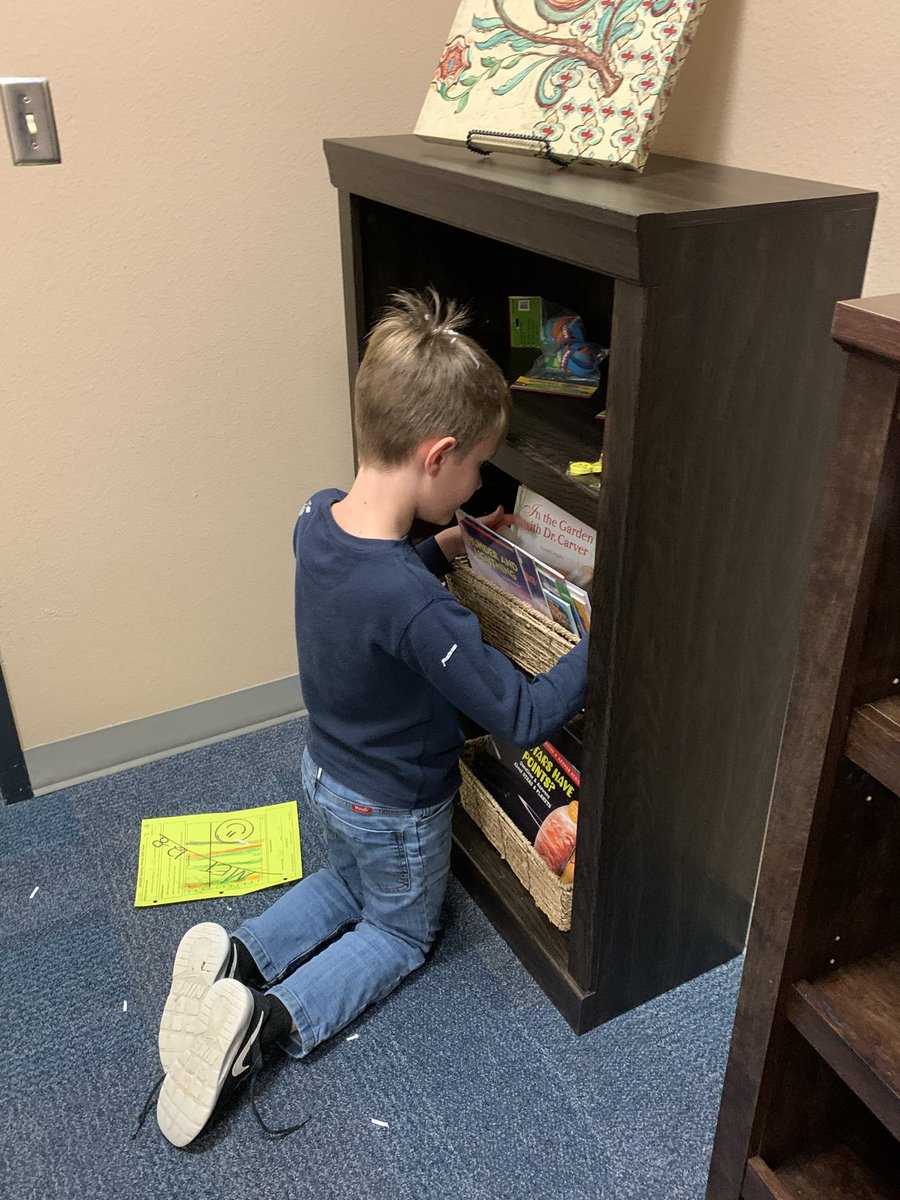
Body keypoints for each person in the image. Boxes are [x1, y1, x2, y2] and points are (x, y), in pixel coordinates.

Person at [152, 289, 590, 1147]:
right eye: (476, 470)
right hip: (394, 802)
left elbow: (369, 595)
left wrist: (446, 546)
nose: (477, 486)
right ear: (438, 456)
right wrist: (601, 644)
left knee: (348, 882)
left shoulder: (316, 518)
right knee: (398, 929)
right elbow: (522, 711)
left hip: (325, 772)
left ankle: (236, 957)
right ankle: (267, 1023)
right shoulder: (420, 611)